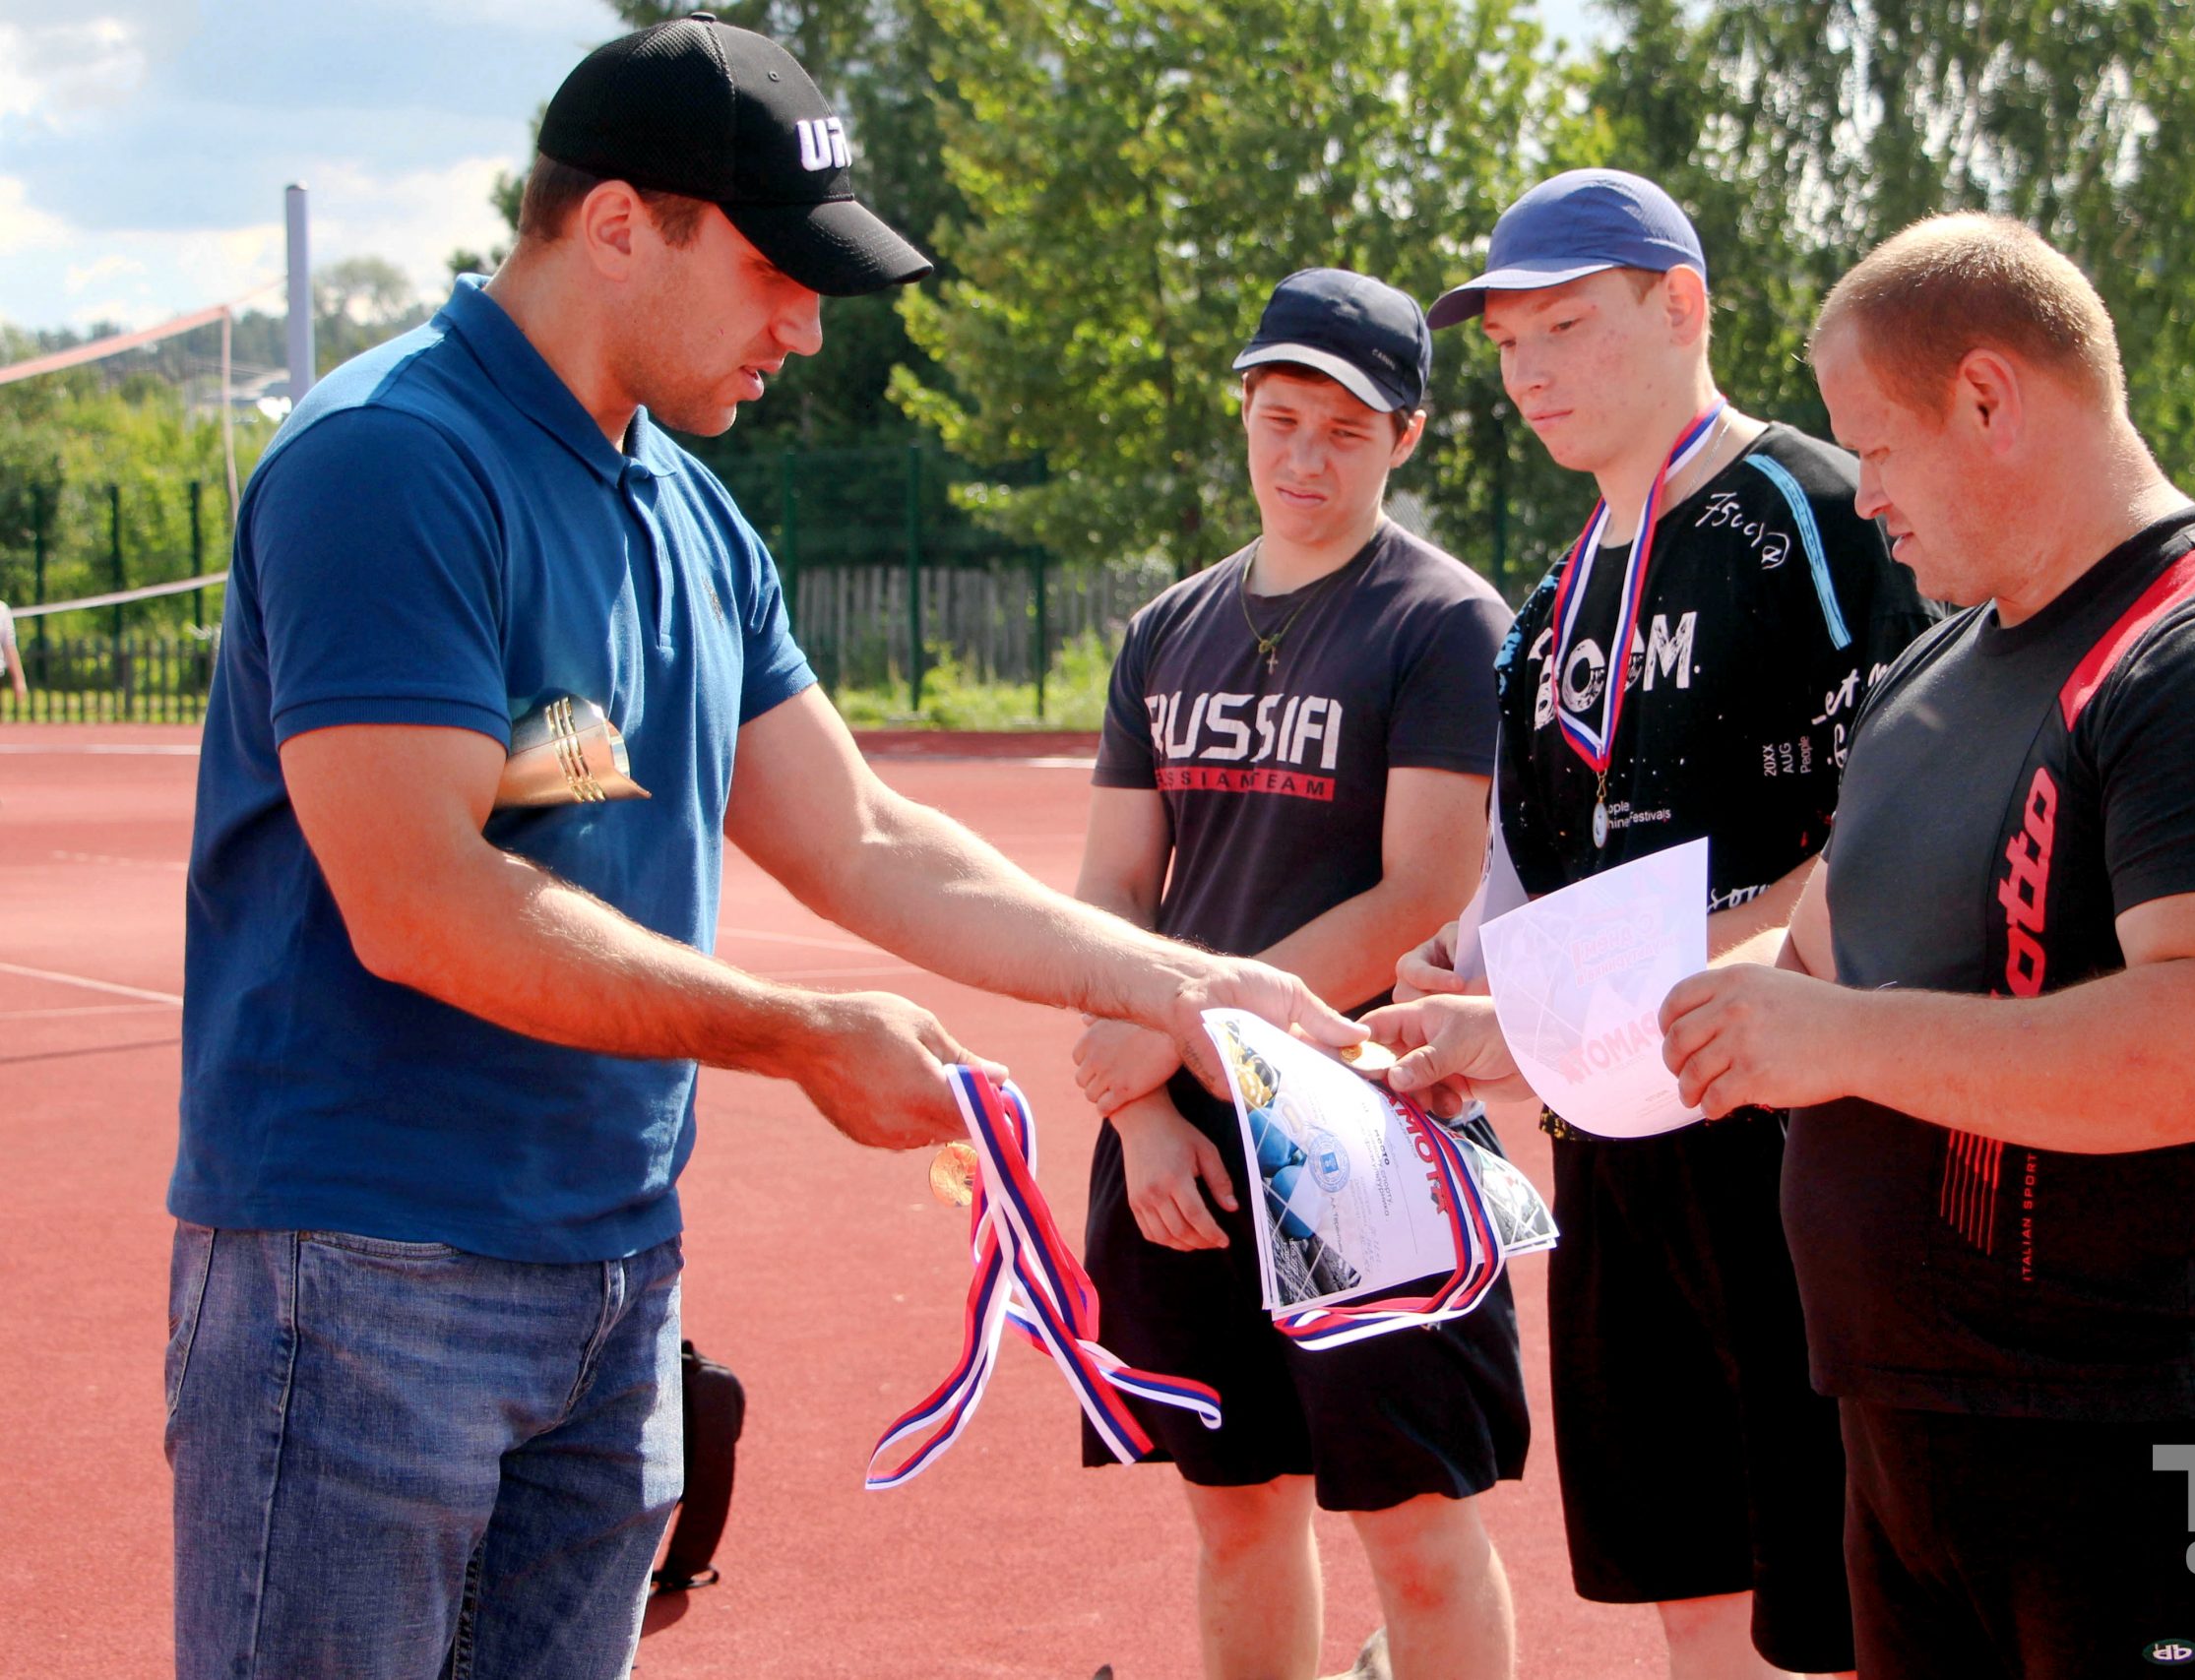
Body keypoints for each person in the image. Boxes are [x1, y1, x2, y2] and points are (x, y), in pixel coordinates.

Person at [164, 20, 1348, 1680]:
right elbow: (419, 900)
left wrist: (1201, 983)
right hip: (363, 1278)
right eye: (775, 269)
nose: (804, 323)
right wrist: (798, 1036)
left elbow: (863, 837)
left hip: (612, 1273)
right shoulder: (391, 465)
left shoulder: (692, 513)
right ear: (620, 226)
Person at [1656, 214, 2195, 1678]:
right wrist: (1512, 1030)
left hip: (2161, 1432)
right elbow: (1810, 970)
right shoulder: (1934, 665)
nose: (1862, 496)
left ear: (1988, 399)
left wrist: (1840, 1044)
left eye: (1875, 445)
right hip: (1911, 1426)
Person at [1373, 169, 1937, 1679]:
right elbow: (1537, 875)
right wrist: (1464, 976)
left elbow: (1896, 832)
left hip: (1794, 1137)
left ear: (1681, 307)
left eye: (1568, 326)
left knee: (1826, 1598)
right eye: (1505, 346)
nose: (1531, 371)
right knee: (1689, 1582)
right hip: (1615, 1146)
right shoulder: (1557, 586)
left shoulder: (1823, 509)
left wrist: (1573, 1010)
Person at [1070, 269, 1524, 1680]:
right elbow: (1109, 896)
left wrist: (1185, 1024)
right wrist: (1140, 1110)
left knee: (1415, 1529)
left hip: (1360, 1126)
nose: (1303, 457)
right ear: (1245, 420)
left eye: (1343, 428)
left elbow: (1423, 886)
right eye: (1279, 421)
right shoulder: (1166, 629)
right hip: (1180, 1137)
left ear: (1406, 438)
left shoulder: (1442, 621)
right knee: (1237, 1515)